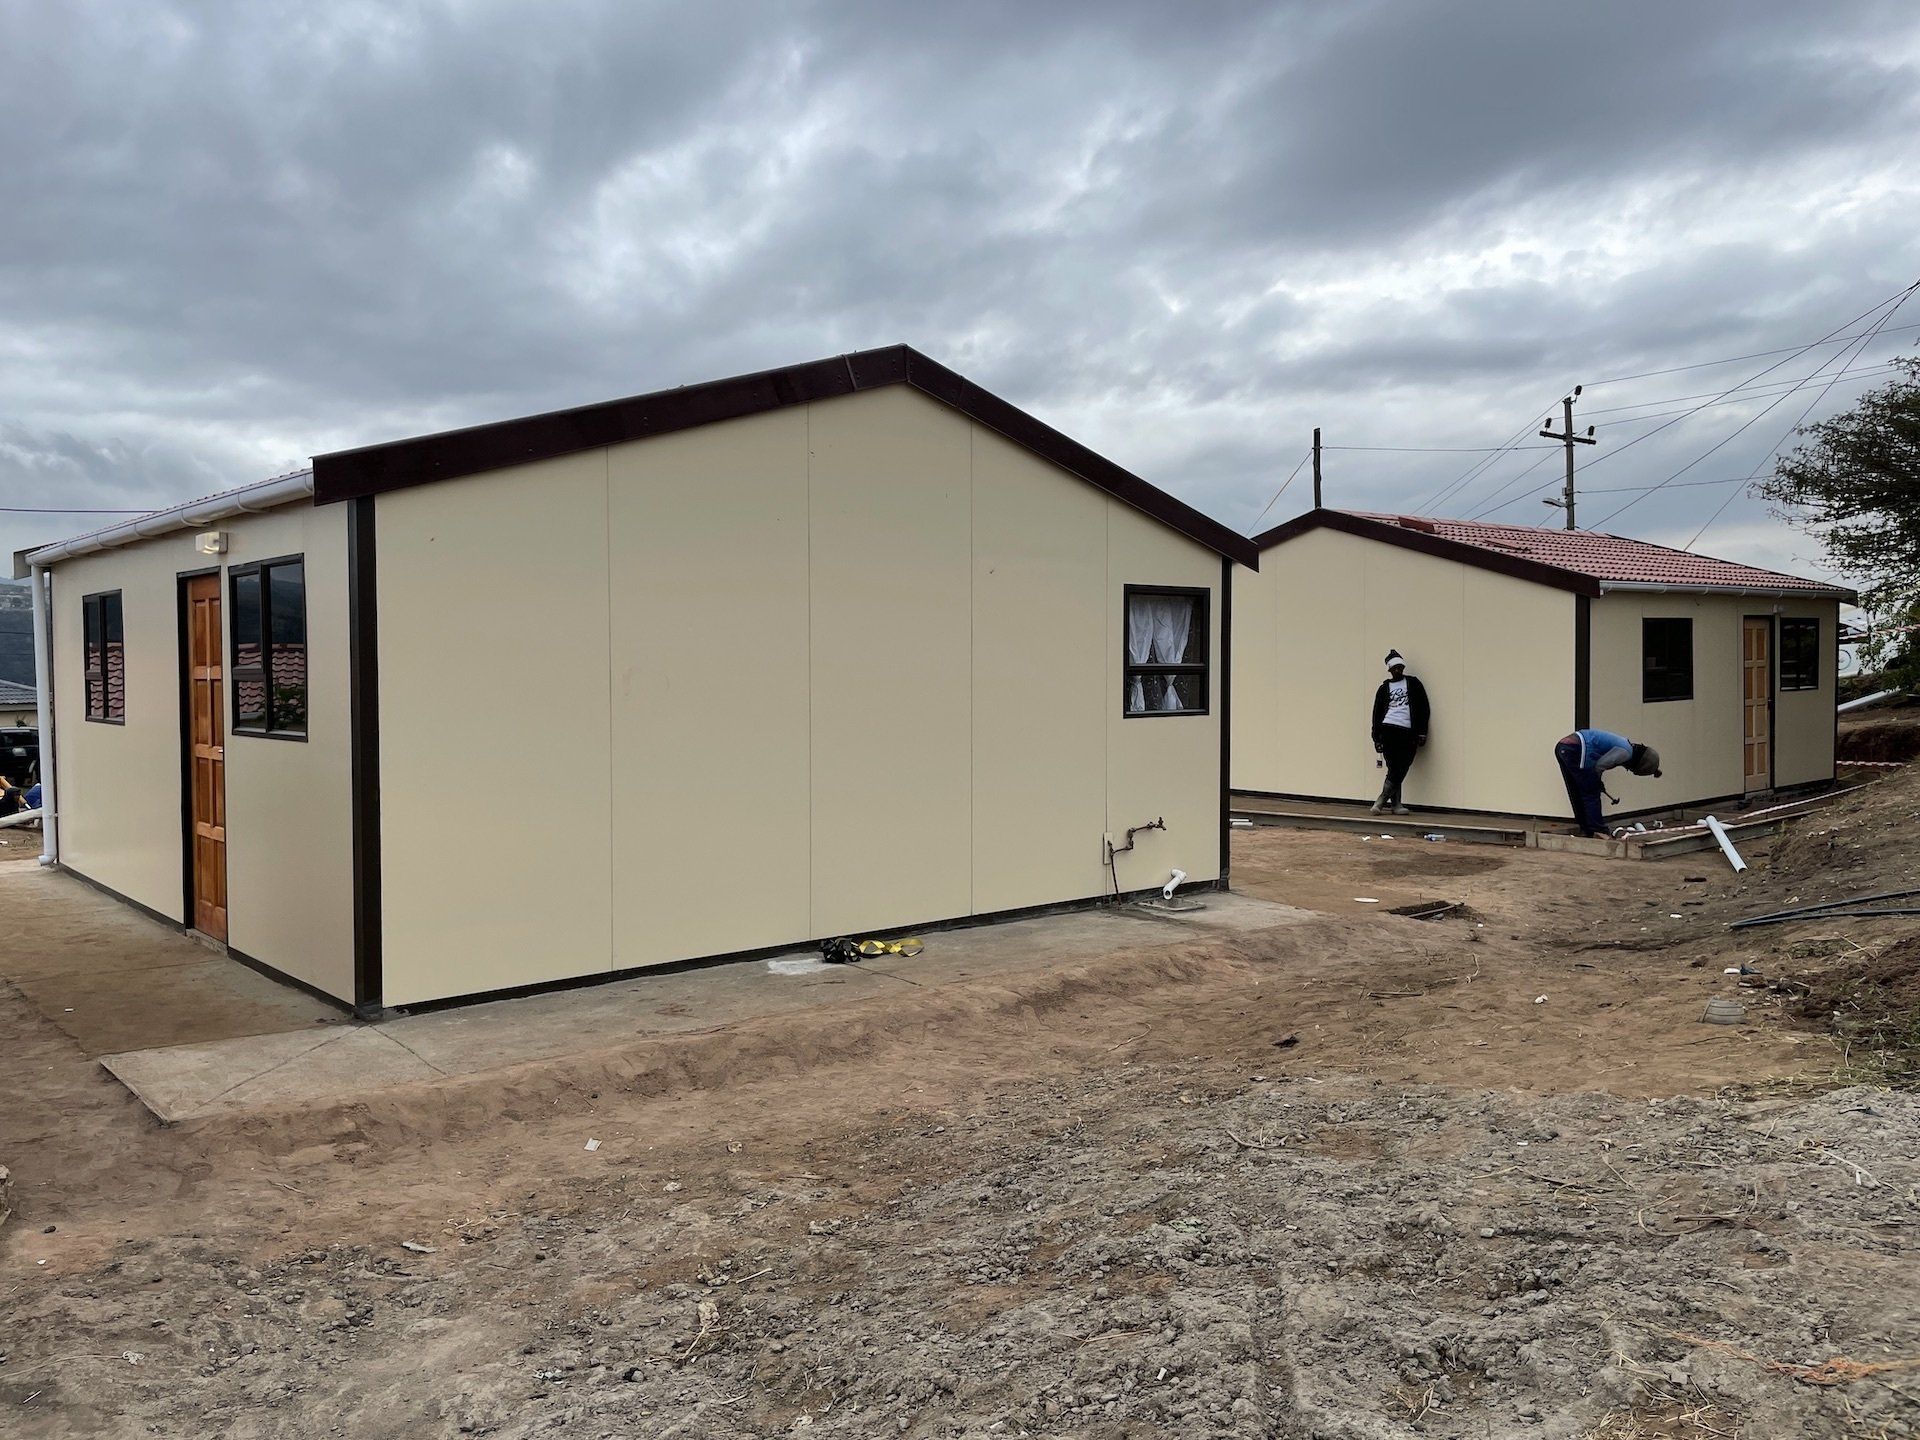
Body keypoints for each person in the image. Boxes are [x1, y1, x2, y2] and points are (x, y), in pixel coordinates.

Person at [1555, 728, 1661, 837]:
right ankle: (1597, 830)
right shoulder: (1626, 753)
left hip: (1563, 747)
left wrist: (1597, 782)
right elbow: (1599, 766)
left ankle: (1586, 829)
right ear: (1638, 763)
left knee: (1576, 791)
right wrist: (1596, 782)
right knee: (1591, 793)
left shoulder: (1625, 744)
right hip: (1576, 748)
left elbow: (1596, 768)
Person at [1369, 649, 1430, 815]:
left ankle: (1381, 800)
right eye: (1394, 668)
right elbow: (1376, 713)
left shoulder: (1414, 683)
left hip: (1408, 731)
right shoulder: (1384, 688)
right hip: (1388, 729)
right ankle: (1396, 804)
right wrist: (1376, 737)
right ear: (1389, 670)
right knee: (1393, 767)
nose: (1398, 670)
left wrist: (1422, 732)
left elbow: (1423, 707)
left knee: (1403, 765)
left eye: (1400, 667)